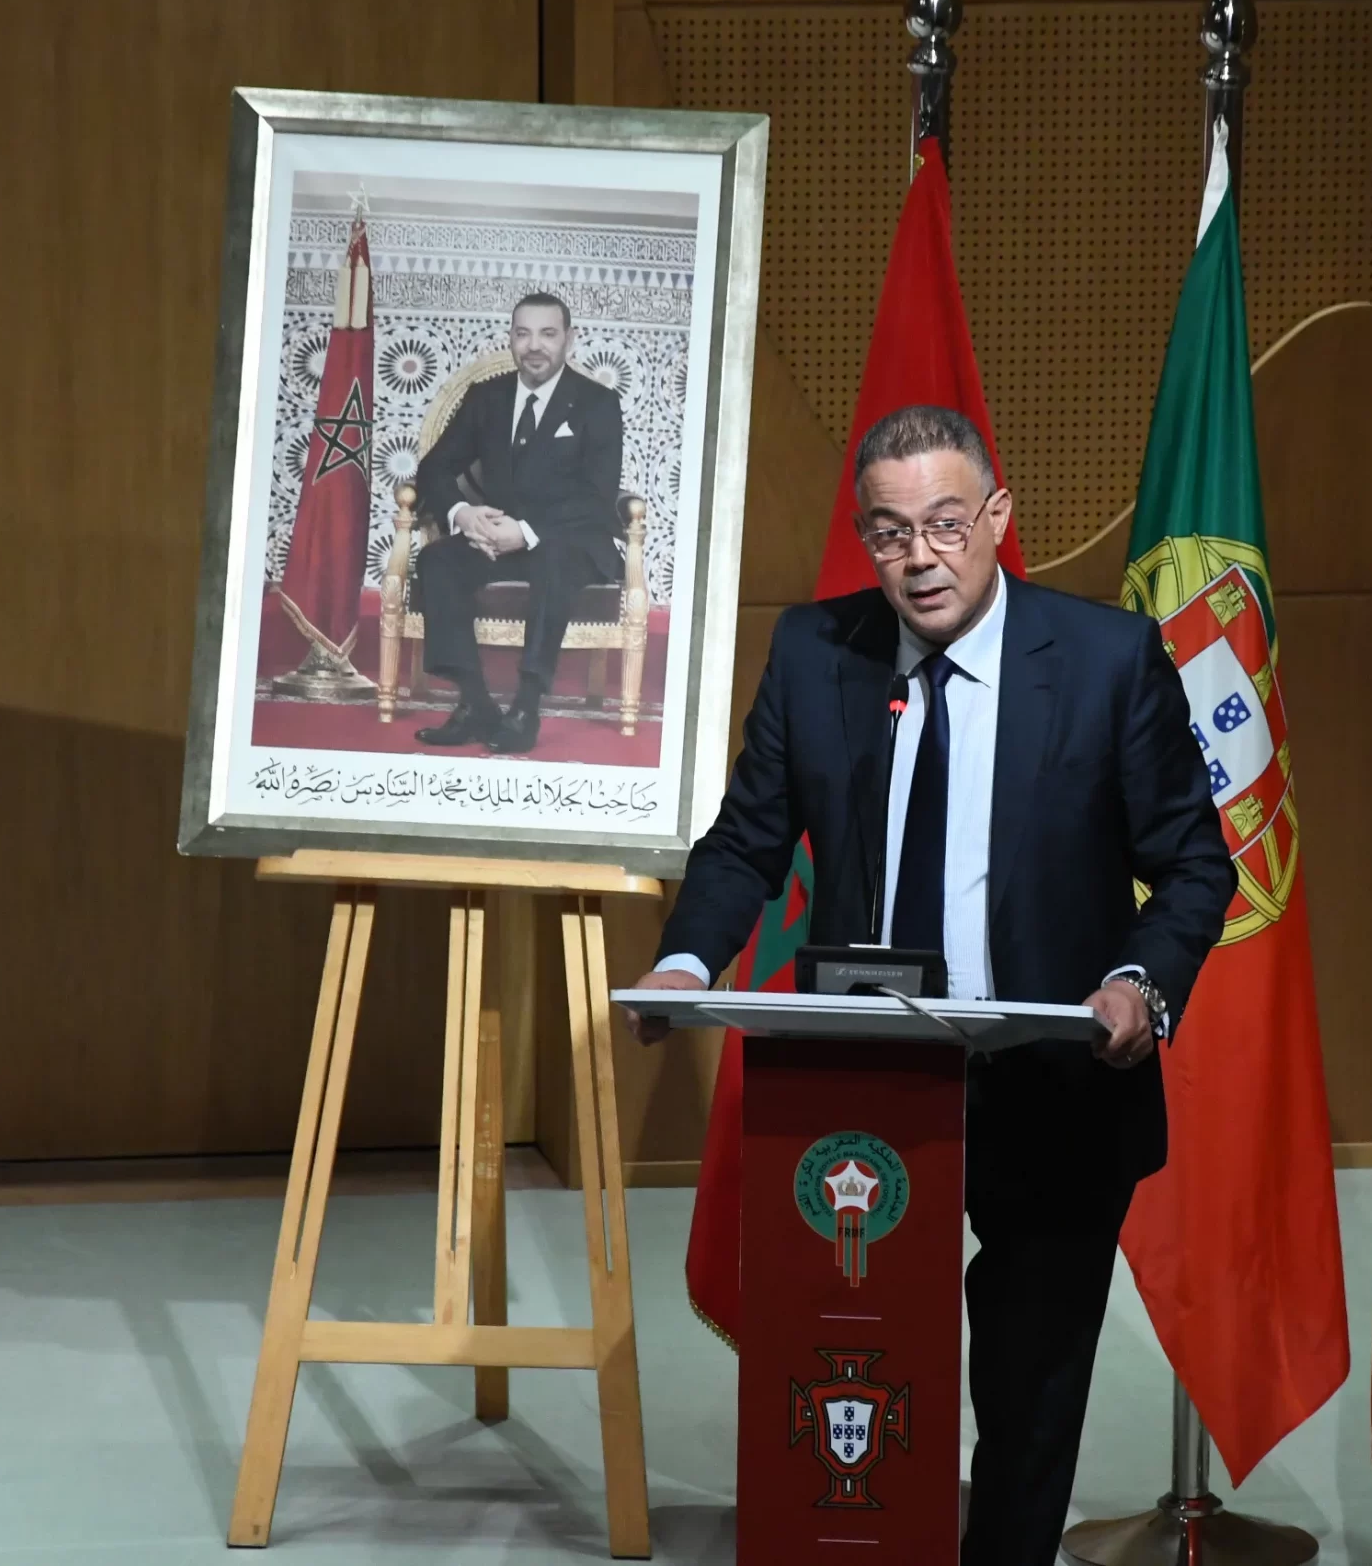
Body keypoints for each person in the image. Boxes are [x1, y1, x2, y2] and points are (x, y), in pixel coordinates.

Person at [632, 404, 1235, 1564]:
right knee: (860, 1355)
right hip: (865, 1085)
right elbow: (747, 842)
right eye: (892, 531)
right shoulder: (819, 654)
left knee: (1025, 1386)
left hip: (1050, 1076)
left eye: (947, 525)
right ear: (867, 538)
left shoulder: (1106, 661)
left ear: (998, 521)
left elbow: (1195, 865)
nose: (921, 557)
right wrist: (685, 960)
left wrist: (1137, 985)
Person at [410, 292, 625, 754]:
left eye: (548, 333)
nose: (535, 345)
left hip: (571, 542)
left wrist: (524, 533)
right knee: (437, 562)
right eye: (523, 333)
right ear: (510, 339)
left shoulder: (598, 403)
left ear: (570, 339)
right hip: (495, 537)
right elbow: (434, 468)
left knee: (553, 559)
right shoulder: (486, 398)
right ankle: (475, 703)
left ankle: (526, 706)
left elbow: (596, 496)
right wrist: (464, 516)